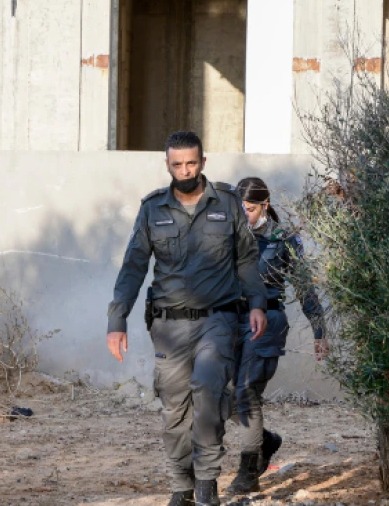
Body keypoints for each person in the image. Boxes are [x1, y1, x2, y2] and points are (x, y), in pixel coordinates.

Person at [106, 131, 268, 506]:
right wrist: (117, 320)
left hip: (218, 319)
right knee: (175, 406)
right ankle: (182, 486)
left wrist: (257, 302)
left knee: (209, 394)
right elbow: (133, 267)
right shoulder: (152, 209)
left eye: (191, 163)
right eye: (177, 164)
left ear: (203, 163)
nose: (184, 170)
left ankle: (207, 483)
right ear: (167, 165)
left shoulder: (227, 203)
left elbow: (246, 258)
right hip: (169, 325)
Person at [225, 176, 327, 494]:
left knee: (245, 392)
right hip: (229, 322)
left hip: (267, 321)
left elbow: (304, 287)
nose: (244, 216)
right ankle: (265, 440)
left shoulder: (283, 240)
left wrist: (319, 329)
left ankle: (248, 473)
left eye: (250, 210)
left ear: (264, 206)